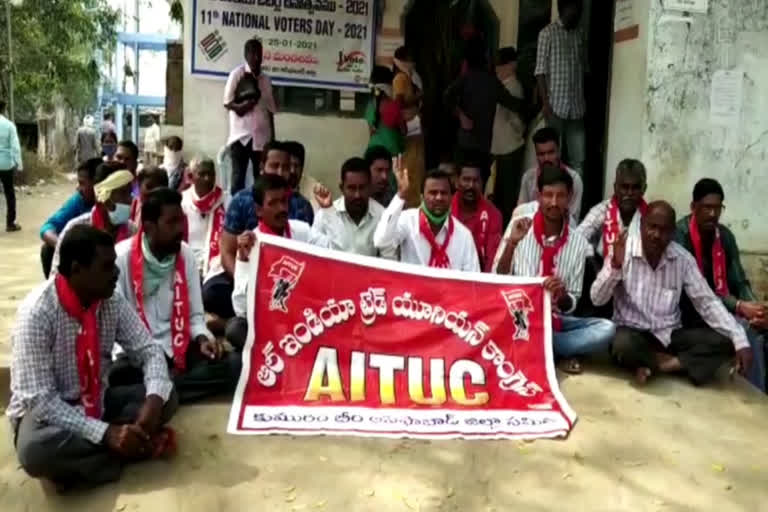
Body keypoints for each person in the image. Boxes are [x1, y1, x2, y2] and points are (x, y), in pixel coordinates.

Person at [9, 225, 177, 490]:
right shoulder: (36, 314)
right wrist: (106, 433)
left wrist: (152, 404)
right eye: (107, 266)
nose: (116, 273)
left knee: (167, 399)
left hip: (98, 396)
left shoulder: (110, 299)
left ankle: (94, 462)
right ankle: (126, 448)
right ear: (77, 270)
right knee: (34, 451)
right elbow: (41, 401)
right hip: (50, 417)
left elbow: (149, 350)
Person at [592, 201, 753, 386]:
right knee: (621, 343)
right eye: (652, 227)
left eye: (664, 230)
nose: (656, 235)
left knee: (726, 340)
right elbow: (597, 299)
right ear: (641, 225)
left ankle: (659, 364)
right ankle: (677, 363)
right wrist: (615, 266)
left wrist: (740, 340)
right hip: (633, 333)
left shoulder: (682, 259)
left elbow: (707, 302)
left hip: (670, 336)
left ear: (673, 233)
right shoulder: (623, 252)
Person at [113, 188, 240, 403]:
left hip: (178, 346)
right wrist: (152, 357)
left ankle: (164, 391)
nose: (180, 229)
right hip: (136, 355)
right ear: (150, 227)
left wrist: (201, 338)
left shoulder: (185, 255)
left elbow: (196, 317)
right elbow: (116, 328)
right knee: (116, 377)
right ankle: (170, 389)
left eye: (180, 221)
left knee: (236, 365)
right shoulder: (121, 259)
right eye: (171, 223)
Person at [494, 165, 614, 374]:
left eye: (560, 196)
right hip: (520, 316)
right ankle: (556, 350)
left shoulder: (577, 243)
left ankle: (540, 347)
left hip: (556, 320)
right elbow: (498, 277)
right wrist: (512, 244)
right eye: (548, 195)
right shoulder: (520, 227)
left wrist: (562, 295)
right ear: (539, 196)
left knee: (607, 329)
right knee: (505, 323)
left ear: (569, 198)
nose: (554, 202)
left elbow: (572, 302)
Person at [202, 141, 308, 327]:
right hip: (243, 274)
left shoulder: (301, 207)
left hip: (288, 281)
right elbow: (227, 251)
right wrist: (248, 284)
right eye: (274, 166)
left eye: (285, 167)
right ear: (261, 167)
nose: (280, 172)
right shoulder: (241, 200)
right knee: (213, 293)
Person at [675, 179, 766, 391]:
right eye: (707, 207)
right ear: (693, 207)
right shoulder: (680, 235)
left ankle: (756, 386)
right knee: (743, 330)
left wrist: (754, 310)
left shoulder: (724, 236)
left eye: (718, 208)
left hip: (720, 306)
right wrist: (738, 306)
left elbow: (738, 280)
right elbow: (697, 293)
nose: (713, 214)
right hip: (689, 310)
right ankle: (755, 394)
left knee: (757, 325)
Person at [227, 175, 330, 348]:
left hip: (304, 317)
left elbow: (335, 253)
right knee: (235, 328)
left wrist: (329, 212)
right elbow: (241, 308)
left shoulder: (301, 230)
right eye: (273, 203)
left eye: (284, 201)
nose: (281, 208)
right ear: (259, 210)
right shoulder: (251, 243)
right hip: (268, 325)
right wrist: (244, 262)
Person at [444, 39, 524, 186]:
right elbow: (513, 103)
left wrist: (460, 115)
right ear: (484, 57)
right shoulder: (490, 81)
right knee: (479, 183)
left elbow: (447, 97)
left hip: (468, 142)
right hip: (482, 143)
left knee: (463, 181)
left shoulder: (467, 78)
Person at [373, 164, 480, 272]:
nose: (439, 197)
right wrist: (400, 195)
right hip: (413, 288)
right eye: (433, 193)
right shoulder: (408, 221)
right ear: (422, 197)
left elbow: (473, 279)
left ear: (451, 197)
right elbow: (381, 241)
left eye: (444, 193)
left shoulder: (464, 235)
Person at [50, 163, 138, 277]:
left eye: (130, 193)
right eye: (123, 193)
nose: (130, 200)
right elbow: (57, 279)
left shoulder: (132, 231)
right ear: (102, 196)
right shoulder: (74, 230)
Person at [536, 0, 588, 173]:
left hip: (577, 107)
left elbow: (584, 68)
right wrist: (545, 104)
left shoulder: (579, 34)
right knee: (551, 158)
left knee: (578, 160)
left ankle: (576, 199)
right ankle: (551, 195)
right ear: (564, 8)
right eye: (576, 9)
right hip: (555, 107)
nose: (579, 14)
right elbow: (540, 71)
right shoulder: (547, 34)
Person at [312, 157, 396, 259]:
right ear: (341, 188)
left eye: (362, 188)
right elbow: (314, 255)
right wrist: (329, 213)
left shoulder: (382, 216)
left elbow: (389, 260)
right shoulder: (324, 214)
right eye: (351, 188)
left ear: (369, 187)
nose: (357, 195)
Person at [224, 38, 278, 195]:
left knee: (261, 179)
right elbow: (227, 102)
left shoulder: (266, 80)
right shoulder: (237, 74)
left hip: (262, 138)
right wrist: (243, 106)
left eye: (259, 53)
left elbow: (270, 110)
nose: (256, 57)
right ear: (246, 55)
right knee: (237, 179)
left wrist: (273, 139)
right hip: (241, 137)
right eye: (252, 53)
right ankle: (237, 213)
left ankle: (258, 213)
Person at [40, 158, 100, 278]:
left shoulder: (122, 205)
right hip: (84, 256)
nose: (78, 188)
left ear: (97, 183)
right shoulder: (78, 201)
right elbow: (47, 228)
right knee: (47, 249)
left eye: (82, 183)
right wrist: (64, 246)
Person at [577, 159, 647, 258]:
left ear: (644, 189)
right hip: (604, 269)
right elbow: (575, 240)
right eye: (624, 187)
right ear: (615, 187)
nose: (629, 193)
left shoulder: (650, 216)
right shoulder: (601, 210)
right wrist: (593, 254)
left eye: (635, 188)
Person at [491, 46, 526, 226]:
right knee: (500, 193)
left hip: (511, 145)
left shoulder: (513, 87)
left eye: (500, 65)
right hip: (503, 146)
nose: (497, 70)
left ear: (510, 65)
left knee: (507, 194)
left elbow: (517, 120)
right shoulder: (505, 86)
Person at [518, 127, 583, 221]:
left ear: (558, 151)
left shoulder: (574, 180)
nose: (546, 158)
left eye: (551, 152)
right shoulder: (528, 177)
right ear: (536, 154)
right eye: (541, 154)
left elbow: (572, 219)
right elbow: (520, 213)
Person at [451, 156, 503, 272]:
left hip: (479, 279)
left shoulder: (493, 214)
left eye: (476, 180)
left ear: (482, 183)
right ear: (456, 181)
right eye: (466, 179)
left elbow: (492, 261)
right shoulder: (445, 208)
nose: (471, 185)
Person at [181, 157, 228, 275]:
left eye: (211, 174)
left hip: (217, 267)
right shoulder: (182, 201)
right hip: (188, 265)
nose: (207, 179)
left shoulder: (225, 200)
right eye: (202, 174)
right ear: (191, 177)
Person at [392, 46, 426, 208]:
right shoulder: (400, 78)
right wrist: (417, 97)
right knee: (410, 167)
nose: (412, 63)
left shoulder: (408, 77)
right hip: (409, 129)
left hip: (414, 128)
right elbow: (399, 103)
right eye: (410, 59)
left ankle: (412, 201)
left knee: (416, 166)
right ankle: (408, 203)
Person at [365, 66, 404, 159]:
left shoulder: (369, 106)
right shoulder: (394, 105)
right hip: (392, 150)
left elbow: (371, 132)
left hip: (373, 150)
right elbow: (403, 131)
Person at [0, 98, 22, 232]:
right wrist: (18, 165)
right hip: (6, 164)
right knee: (9, 194)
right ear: (3, 109)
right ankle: (10, 223)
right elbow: (15, 147)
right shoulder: (9, 125)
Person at [283, 140, 314, 219]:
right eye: (289, 165)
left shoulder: (314, 190)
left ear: (302, 168)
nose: (292, 171)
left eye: (296, 166)